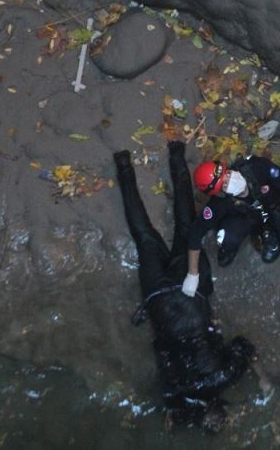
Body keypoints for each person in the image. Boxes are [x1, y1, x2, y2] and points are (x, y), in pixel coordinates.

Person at [113, 141, 255, 431]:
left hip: (192, 300)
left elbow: (243, 345)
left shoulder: (224, 377)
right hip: (159, 304)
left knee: (186, 226)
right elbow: (162, 358)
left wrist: (255, 370)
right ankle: (124, 167)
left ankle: (176, 154)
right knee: (143, 235)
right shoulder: (175, 393)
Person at [181, 155, 280, 297]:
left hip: (274, 205)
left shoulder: (258, 167)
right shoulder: (219, 204)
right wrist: (192, 274)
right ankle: (242, 241)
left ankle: (271, 231)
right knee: (227, 238)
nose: (231, 179)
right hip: (246, 217)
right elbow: (195, 233)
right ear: (220, 193)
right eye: (224, 184)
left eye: (227, 174)